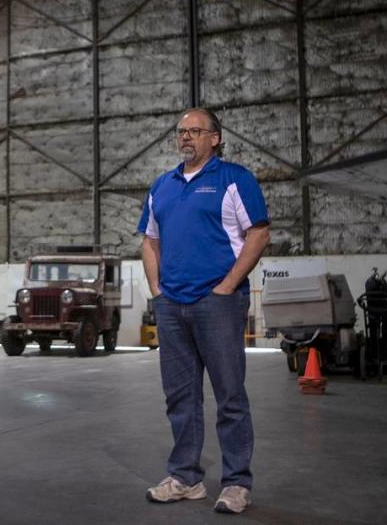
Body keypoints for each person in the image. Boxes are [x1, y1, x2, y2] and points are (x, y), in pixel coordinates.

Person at [138, 107, 270, 515]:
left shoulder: (234, 179)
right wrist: (158, 291)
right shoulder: (163, 185)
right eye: (182, 132)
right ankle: (186, 478)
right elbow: (149, 240)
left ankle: (236, 483)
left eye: (195, 131)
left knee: (229, 396)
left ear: (215, 138)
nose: (186, 138)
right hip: (172, 306)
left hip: (217, 304)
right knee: (180, 397)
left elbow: (259, 233)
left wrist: (227, 286)